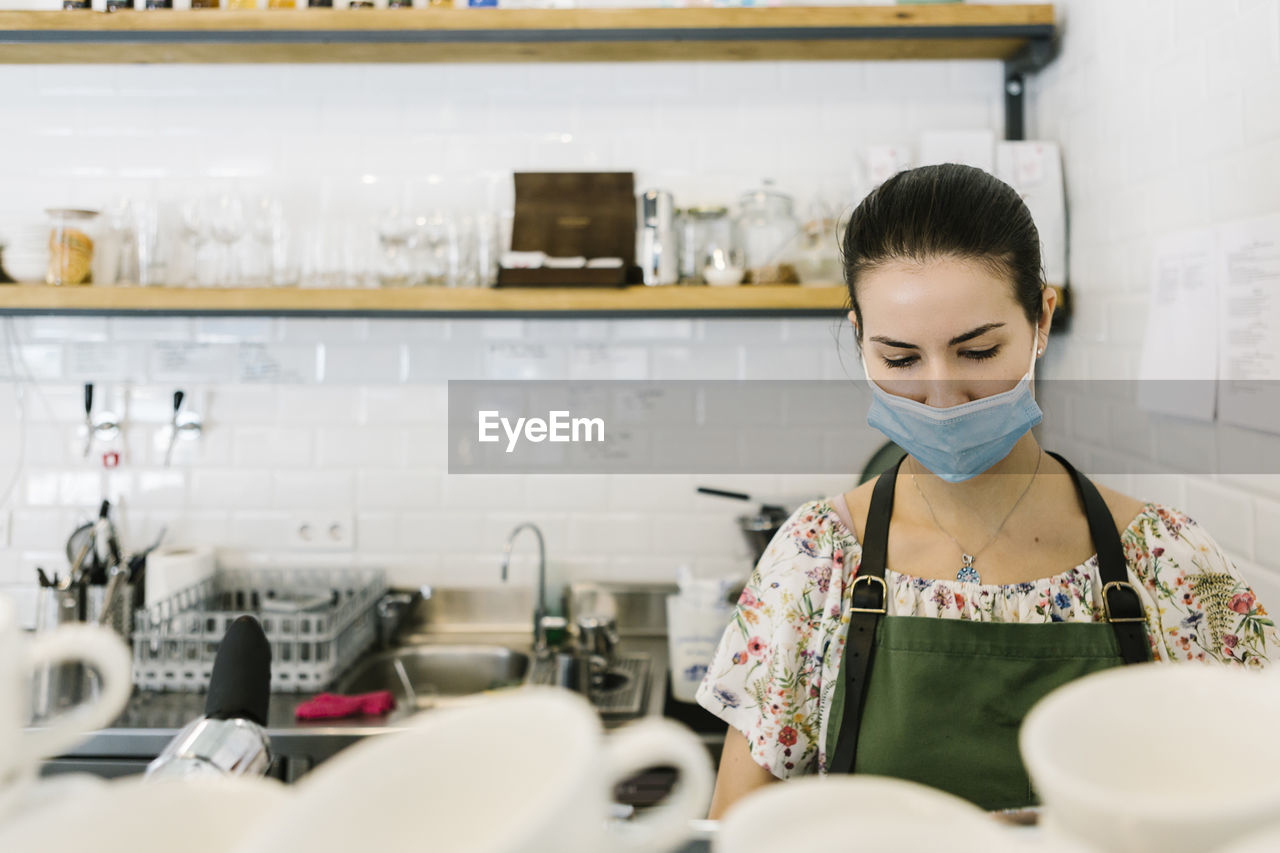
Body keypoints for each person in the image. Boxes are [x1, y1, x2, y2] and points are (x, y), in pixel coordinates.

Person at [695, 163, 1280, 819]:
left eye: (977, 352)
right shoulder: (813, 562)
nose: (942, 397)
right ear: (859, 337)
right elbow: (737, 829)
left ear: (1042, 319)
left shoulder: (1169, 561)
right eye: (900, 359)